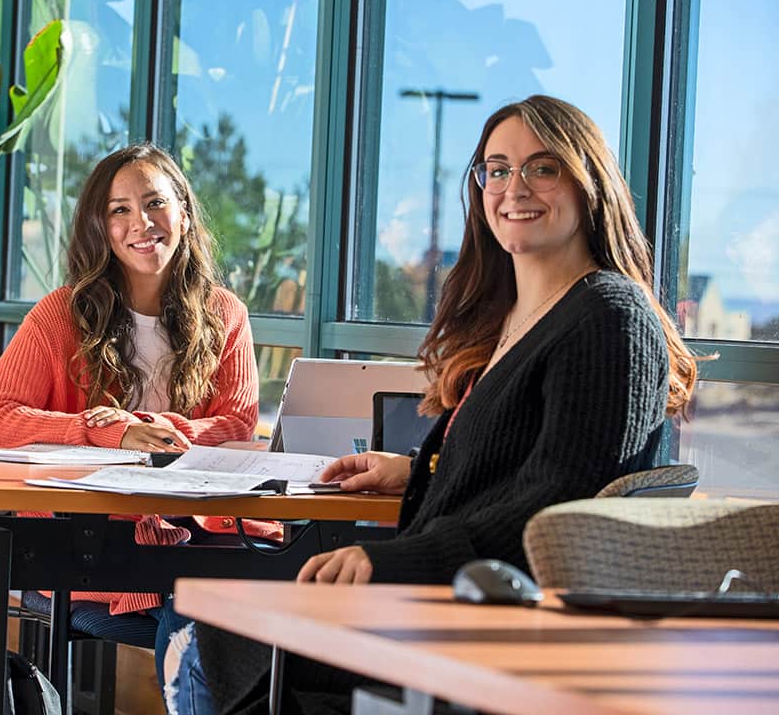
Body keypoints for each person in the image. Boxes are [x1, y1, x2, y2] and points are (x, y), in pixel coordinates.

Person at [163, 95, 699, 714]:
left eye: (542, 167)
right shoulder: (516, 318)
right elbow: (515, 463)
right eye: (497, 170)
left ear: (588, 184)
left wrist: (392, 559)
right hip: (457, 600)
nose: (514, 187)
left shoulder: (609, 317)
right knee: (218, 631)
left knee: (214, 638)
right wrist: (419, 469)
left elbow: (557, 507)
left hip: (487, 623)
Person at [0, 142, 260, 680]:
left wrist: (149, 429)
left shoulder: (225, 314)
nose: (141, 222)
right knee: (202, 611)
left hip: (196, 531)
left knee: (266, 603)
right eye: (119, 209)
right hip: (92, 541)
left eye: (155, 203)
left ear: (185, 212)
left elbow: (237, 423)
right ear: (99, 227)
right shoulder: (61, 312)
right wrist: (101, 433)